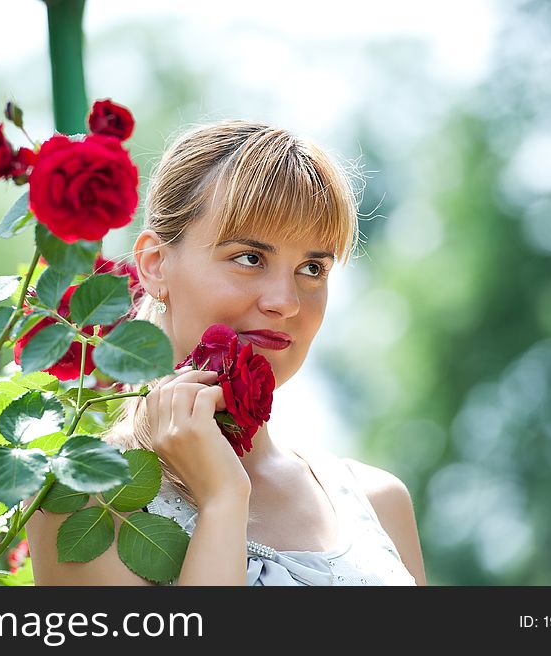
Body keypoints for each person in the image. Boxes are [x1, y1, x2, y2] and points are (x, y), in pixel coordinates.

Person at [26, 119, 427, 586]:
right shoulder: (83, 497)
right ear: (155, 265)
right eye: (250, 258)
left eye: (312, 267)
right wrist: (222, 500)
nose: (286, 301)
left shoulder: (379, 502)